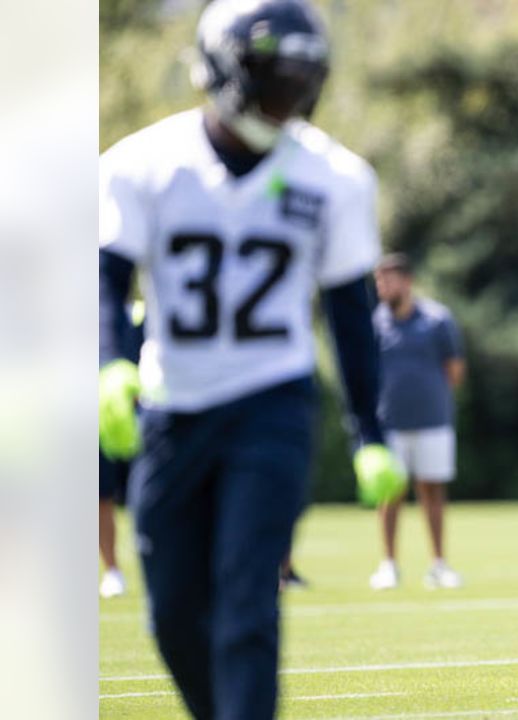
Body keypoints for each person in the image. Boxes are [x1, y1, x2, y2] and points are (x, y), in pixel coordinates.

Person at [97, 2, 406, 717]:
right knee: (171, 614)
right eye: (274, 80)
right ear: (223, 70)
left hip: (273, 403)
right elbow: (104, 280)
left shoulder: (335, 177)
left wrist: (370, 431)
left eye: (300, 82)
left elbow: (351, 316)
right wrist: (112, 363)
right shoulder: (144, 164)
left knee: (245, 598)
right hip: (173, 404)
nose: (286, 99)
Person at [368, 254, 467, 590]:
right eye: (379, 281)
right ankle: (389, 565)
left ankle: (439, 565)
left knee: (432, 491)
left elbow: (455, 370)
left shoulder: (437, 319)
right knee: (389, 494)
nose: (383, 287)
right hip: (389, 424)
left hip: (433, 420)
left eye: (389, 280)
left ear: (407, 281)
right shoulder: (374, 323)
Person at [99, 301, 145, 599]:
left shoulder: (141, 315)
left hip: (147, 421)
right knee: (101, 497)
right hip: (101, 423)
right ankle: (113, 571)